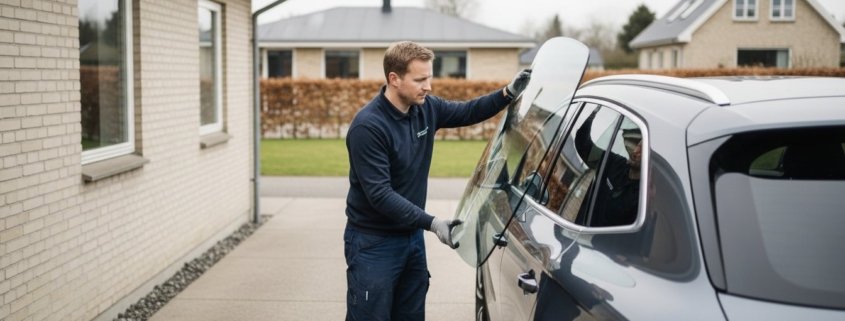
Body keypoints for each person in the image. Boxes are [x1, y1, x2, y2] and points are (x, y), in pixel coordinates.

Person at [343, 41, 531, 320]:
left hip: (412, 239)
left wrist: (508, 93)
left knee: (411, 315)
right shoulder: (368, 127)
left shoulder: (426, 108)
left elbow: (469, 111)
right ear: (394, 79)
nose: (428, 86)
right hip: (374, 243)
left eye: (429, 77)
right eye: (420, 80)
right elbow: (380, 194)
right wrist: (432, 223)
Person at [574, 108, 642, 227]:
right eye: (637, 146)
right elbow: (584, 147)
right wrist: (593, 113)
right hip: (579, 232)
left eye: (642, 150)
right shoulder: (616, 163)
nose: (635, 151)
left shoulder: (642, 197)